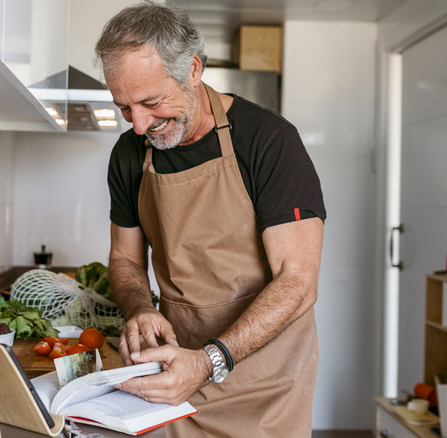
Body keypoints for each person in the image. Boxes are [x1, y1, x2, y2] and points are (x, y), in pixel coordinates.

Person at [95, 2, 326, 436]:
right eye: (125, 108)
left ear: (194, 70)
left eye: (150, 102)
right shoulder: (129, 153)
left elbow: (298, 282)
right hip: (176, 371)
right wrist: (140, 309)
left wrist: (209, 361)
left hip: (266, 384)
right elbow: (125, 259)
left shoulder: (270, 141)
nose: (140, 124)